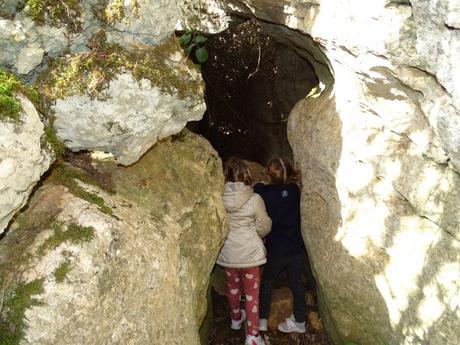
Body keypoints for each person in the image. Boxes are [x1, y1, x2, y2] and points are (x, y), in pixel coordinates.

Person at [217, 157, 272, 345]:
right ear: (247, 175)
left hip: (229, 252)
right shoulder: (255, 198)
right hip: (249, 255)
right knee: (251, 296)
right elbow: (264, 226)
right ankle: (253, 336)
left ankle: (235, 320)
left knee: (232, 288)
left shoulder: (218, 197)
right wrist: (254, 235)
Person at [254, 157, 307, 333]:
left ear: (270, 175)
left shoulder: (265, 193)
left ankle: (261, 319)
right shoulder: (294, 190)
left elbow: (258, 188)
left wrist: (263, 184)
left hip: (276, 249)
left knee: (267, 281)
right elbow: (281, 192)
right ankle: (300, 321)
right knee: (297, 283)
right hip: (295, 248)